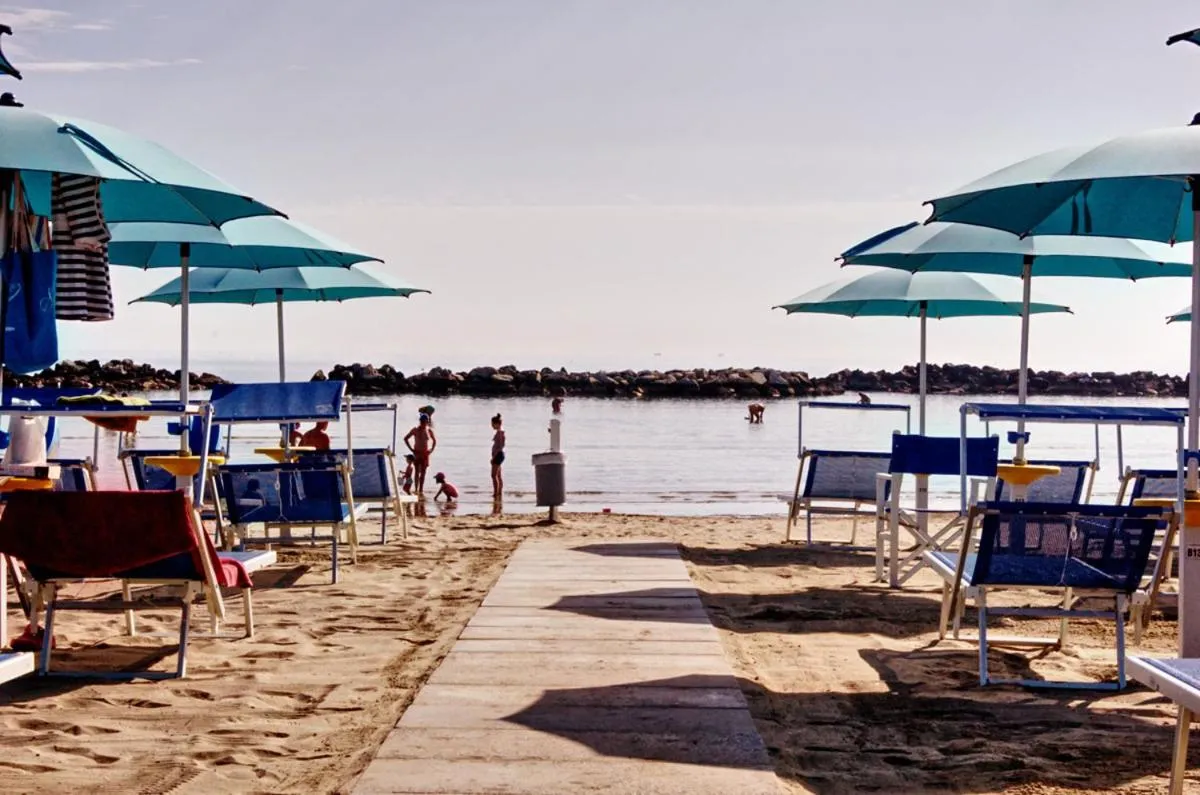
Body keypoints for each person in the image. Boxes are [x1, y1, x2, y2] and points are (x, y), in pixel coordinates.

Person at [404, 413, 437, 494]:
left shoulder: (429, 430)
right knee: (416, 472)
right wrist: (411, 449)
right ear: (420, 421)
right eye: (422, 421)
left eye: (424, 421)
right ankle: (416, 489)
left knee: (423, 473)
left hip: (425, 453)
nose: (423, 423)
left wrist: (431, 450)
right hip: (417, 453)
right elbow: (406, 438)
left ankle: (421, 490)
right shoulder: (415, 430)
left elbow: (434, 441)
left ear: (427, 422)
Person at [490, 413, 506, 500]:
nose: (492, 426)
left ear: (497, 424)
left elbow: (500, 447)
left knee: (493, 475)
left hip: (498, 455)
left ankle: (496, 493)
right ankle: (499, 492)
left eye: (493, 424)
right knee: (498, 475)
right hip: (499, 455)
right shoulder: (500, 432)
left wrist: (493, 458)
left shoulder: (500, 433)